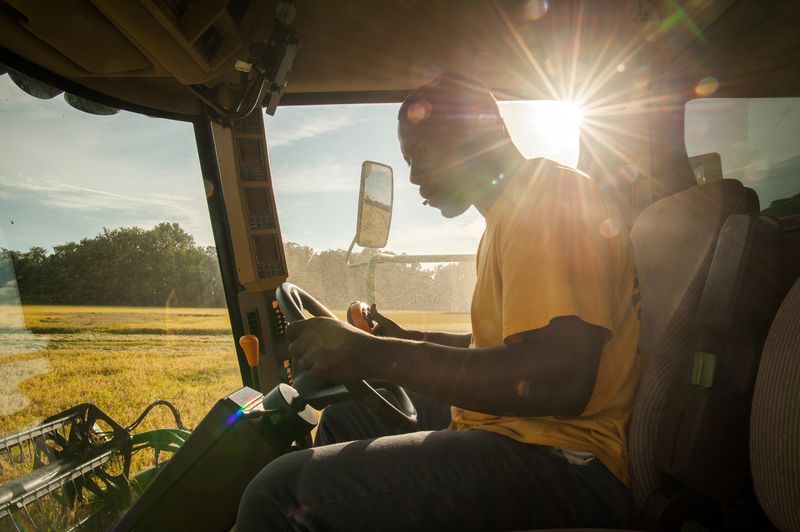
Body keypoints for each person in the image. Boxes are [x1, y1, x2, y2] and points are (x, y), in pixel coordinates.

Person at [237, 73, 641, 531]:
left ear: (481, 128)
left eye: (422, 153)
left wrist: (372, 354)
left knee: (280, 495)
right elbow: (508, 343)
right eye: (407, 160)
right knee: (345, 422)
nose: (411, 175)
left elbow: (561, 379)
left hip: (566, 462)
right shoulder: (510, 214)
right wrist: (408, 338)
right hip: (513, 434)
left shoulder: (547, 200)